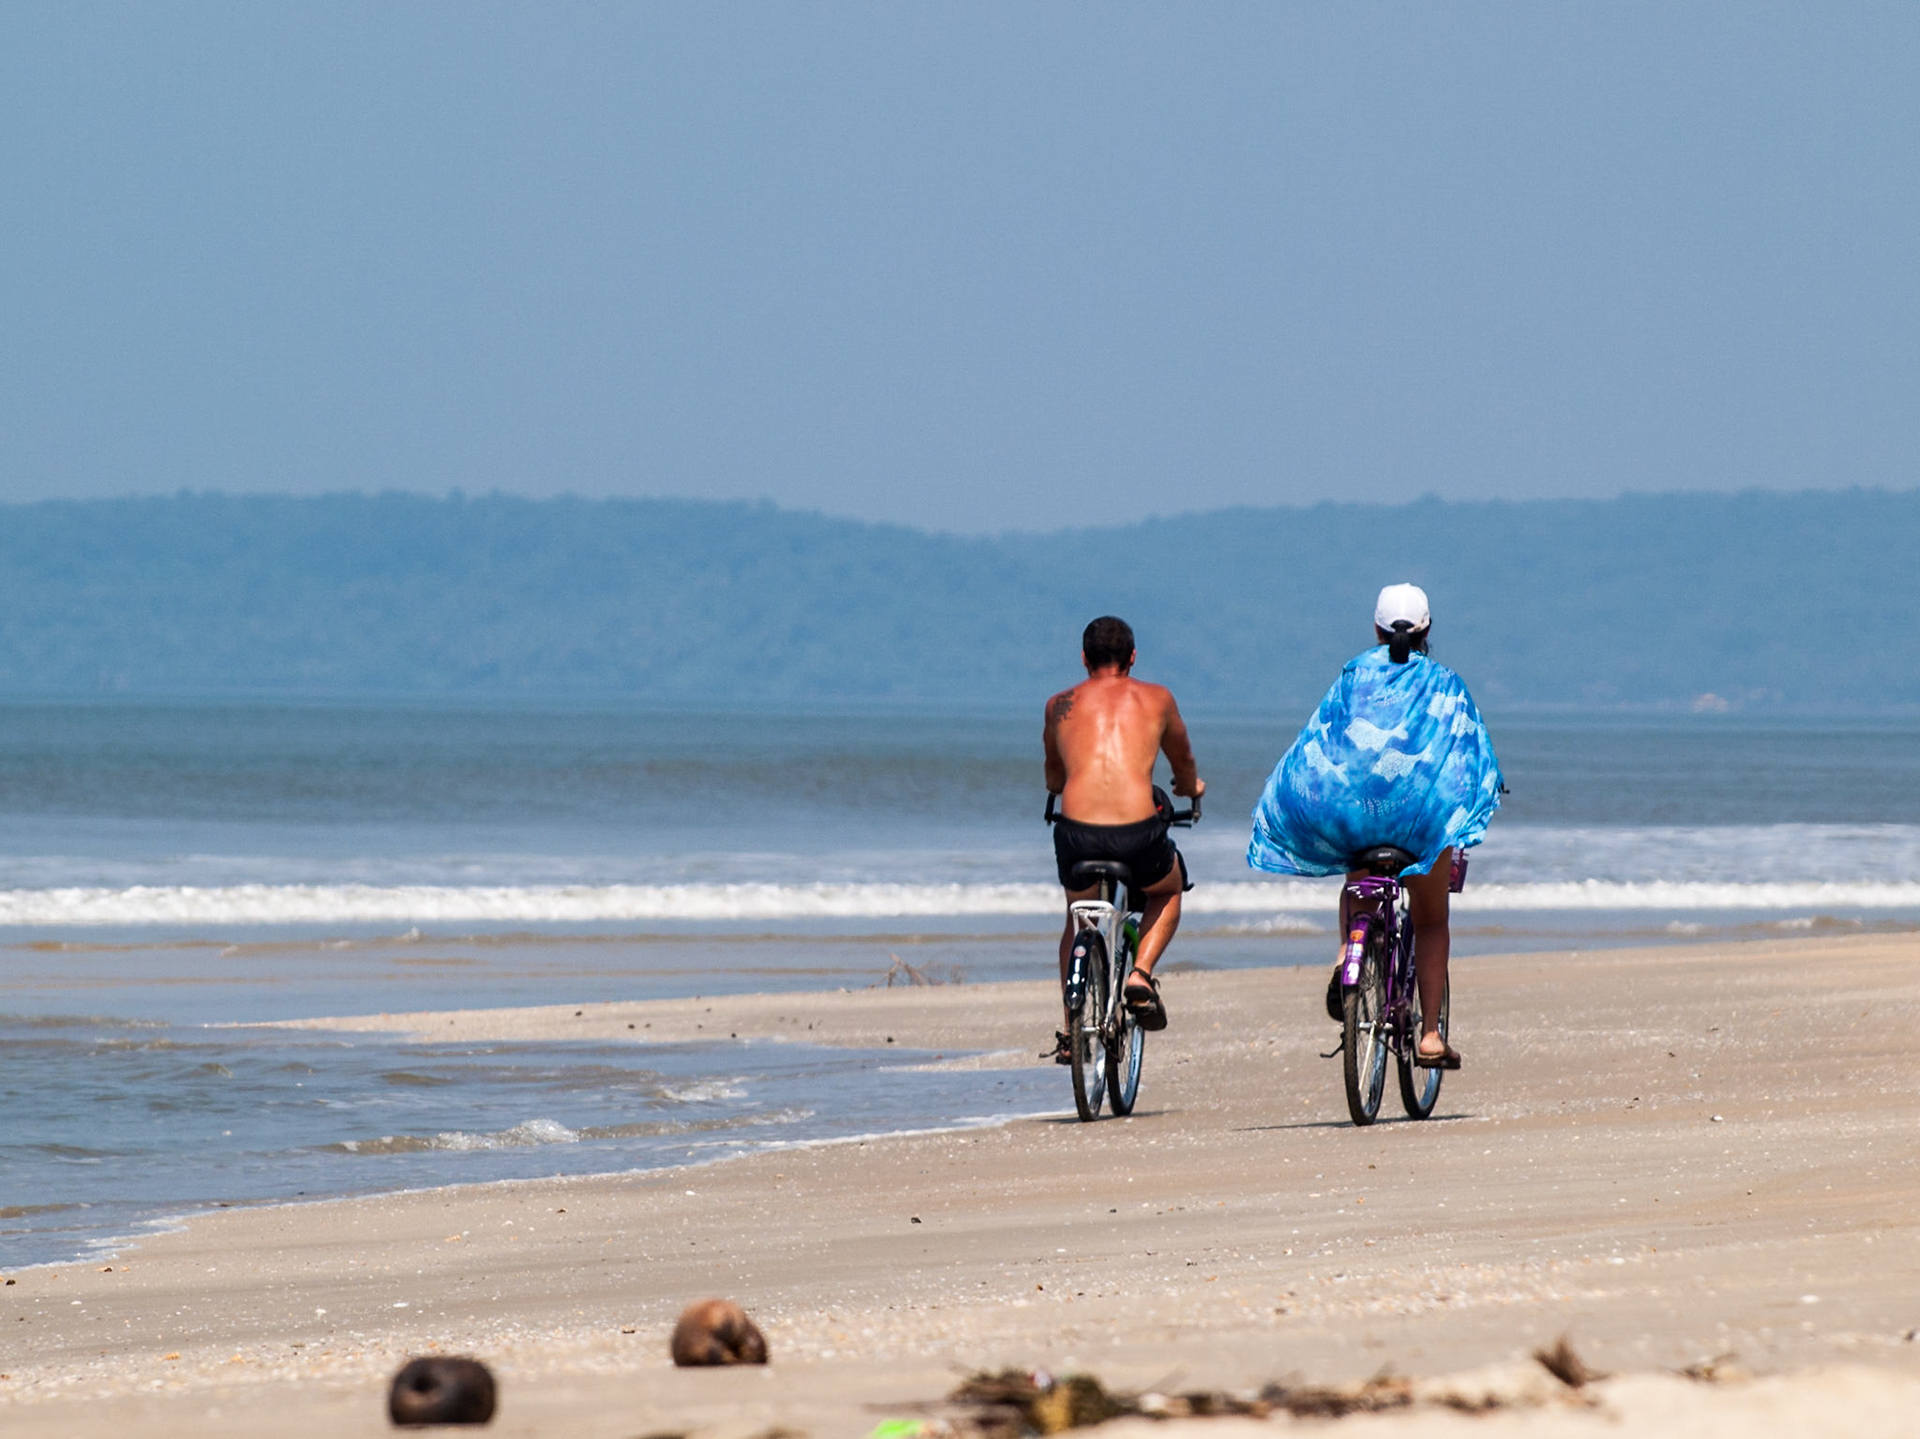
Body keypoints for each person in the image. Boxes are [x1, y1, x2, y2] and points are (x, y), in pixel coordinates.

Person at [1247, 584, 1502, 1069]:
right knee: (1430, 920)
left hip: (1356, 819)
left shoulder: (1352, 676)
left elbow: (1321, 743)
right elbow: (1468, 753)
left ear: (1376, 629)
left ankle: (1349, 950)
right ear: (1428, 630)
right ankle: (1429, 1035)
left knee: (1359, 877)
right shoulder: (1445, 682)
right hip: (1418, 824)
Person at [1042, 616, 1205, 1063]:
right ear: (1133, 657)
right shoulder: (1156, 698)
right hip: (1138, 833)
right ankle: (1140, 975)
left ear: (1083, 658)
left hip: (1076, 834)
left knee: (1078, 918)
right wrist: (1191, 788)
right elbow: (1183, 759)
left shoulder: (1059, 704)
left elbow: (1054, 776)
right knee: (1168, 889)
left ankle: (1069, 1027)